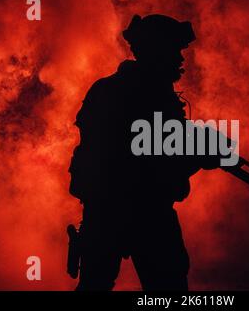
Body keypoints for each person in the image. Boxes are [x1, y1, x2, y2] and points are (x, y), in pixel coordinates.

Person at [69, 14, 220, 291]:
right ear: (156, 52)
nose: (180, 59)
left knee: (95, 285)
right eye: (173, 50)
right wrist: (201, 155)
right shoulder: (150, 96)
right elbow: (151, 159)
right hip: (144, 211)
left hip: (105, 211)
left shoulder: (111, 89)